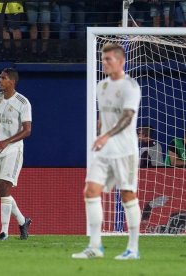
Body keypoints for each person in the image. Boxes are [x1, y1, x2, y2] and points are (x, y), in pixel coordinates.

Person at [72, 43, 141, 260]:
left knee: (127, 195)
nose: (104, 63)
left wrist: (105, 136)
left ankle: (133, 248)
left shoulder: (131, 86)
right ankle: (95, 246)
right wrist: (102, 135)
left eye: (108, 59)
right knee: (90, 191)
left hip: (124, 150)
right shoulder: (101, 86)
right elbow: (105, 117)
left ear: (121, 61)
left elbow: (128, 116)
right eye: (103, 59)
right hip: (104, 151)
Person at [0, 68, 32, 241]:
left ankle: (4, 232)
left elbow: (27, 131)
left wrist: (6, 141)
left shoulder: (23, 102)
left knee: (5, 189)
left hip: (13, 150)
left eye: (3, 78)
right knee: (1, 193)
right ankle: (23, 221)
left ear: (12, 81)